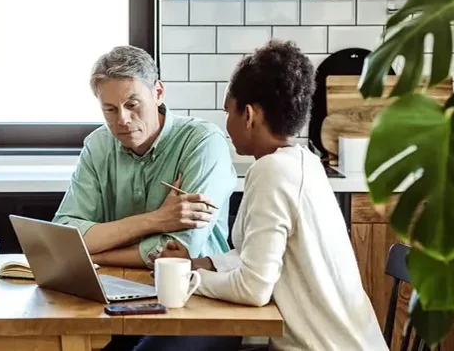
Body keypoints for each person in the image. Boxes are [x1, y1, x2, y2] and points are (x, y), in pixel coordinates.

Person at [160, 40, 389, 351]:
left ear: (249, 115)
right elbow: (253, 256)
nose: (226, 124)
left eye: (228, 110)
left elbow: (253, 288)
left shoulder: (273, 172)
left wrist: (187, 278)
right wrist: (199, 263)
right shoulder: (302, 160)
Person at [52, 45, 243, 350]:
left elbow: (176, 253)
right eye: (110, 109)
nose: (123, 120)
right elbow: (64, 236)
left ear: (159, 93)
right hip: (117, 301)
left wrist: (93, 253)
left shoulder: (203, 143)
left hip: (199, 301)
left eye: (133, 104)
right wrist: (156, 220)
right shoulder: (97, 145)